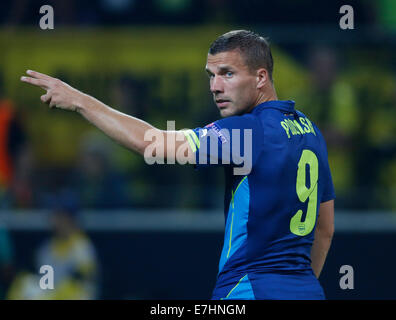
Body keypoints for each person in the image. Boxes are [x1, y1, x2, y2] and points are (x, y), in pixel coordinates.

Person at [20, 30, 335, 300]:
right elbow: (324, 230)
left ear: (261, 77)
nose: (215, 87)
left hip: (247, 289)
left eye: (228, 73)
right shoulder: (310, 132)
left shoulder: (248, 132)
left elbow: (152, 143)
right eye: (211, 76)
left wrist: (80, 101)